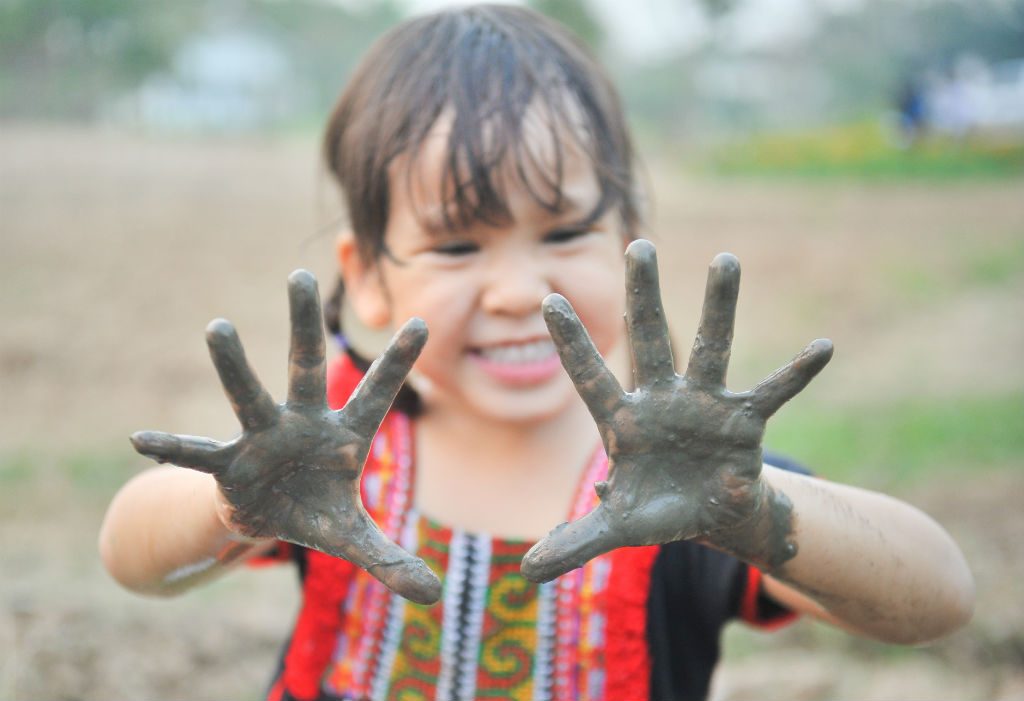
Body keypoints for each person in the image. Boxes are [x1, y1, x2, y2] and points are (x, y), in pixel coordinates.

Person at [99, 6, 974, 701]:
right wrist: (230, 508)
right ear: (366, 277)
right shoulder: (328, 453)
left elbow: (938, 595)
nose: (520, 289)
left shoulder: (687, 480)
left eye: (563, 230)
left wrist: (759, 515)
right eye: (455, 246)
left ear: (629, 239)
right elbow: (133, 559)